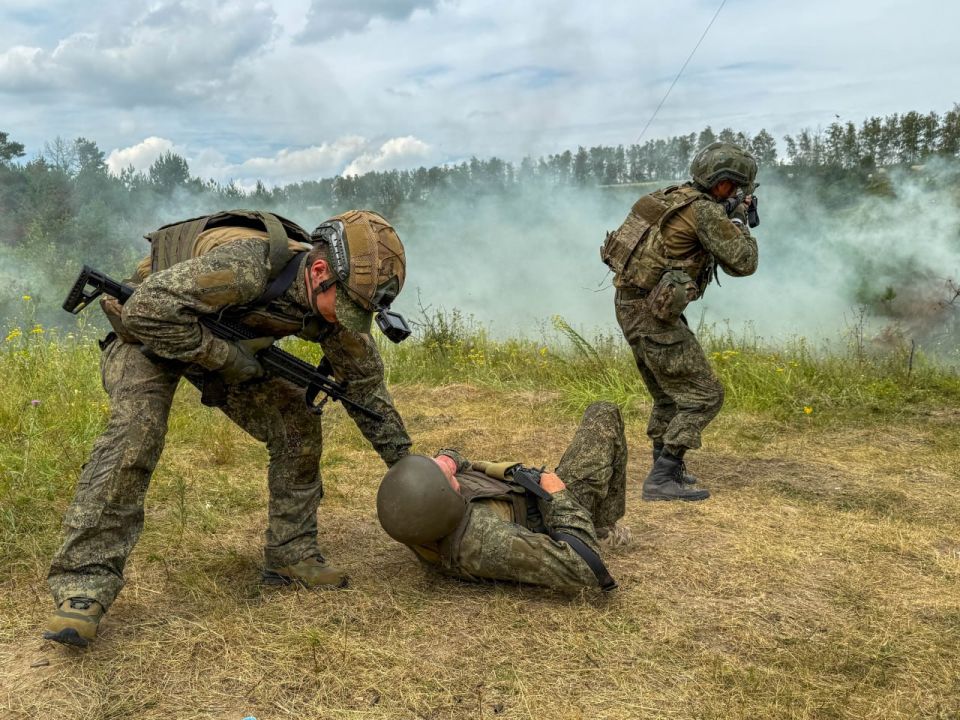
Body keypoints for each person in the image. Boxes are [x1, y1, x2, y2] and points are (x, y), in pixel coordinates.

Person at [44, 209, 412, 647]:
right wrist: (224, 359)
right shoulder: (246, 267)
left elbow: (366, 390)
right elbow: (147, 311)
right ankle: (83, 584)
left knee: (297, 419)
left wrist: (409, 467)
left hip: (220, 341)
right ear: (318, 271)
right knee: (136, 432)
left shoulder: (335, 302)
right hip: (148, 334)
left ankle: (291, 553)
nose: (347, 320)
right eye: (347, 307)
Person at [600, 141, 759, 502]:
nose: (735, 193)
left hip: (631, 303)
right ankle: (662, 476)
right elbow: (744, 263)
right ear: (723, 184)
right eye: (734, 188)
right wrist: (737, 221)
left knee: (669, 394)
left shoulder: (669, 196)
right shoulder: (705, 212)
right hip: (653, 313)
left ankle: (668, 465)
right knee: (705, 395)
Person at [375, 402, 627, 592]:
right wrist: (558, 494)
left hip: (528, 495)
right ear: (448, 502)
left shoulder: (415, 508)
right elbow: (584, 569)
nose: (452, 473)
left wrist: (446, 461)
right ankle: (600, 528)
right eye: (449, 479)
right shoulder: (485, 540)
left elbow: (457, 461)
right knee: (603, 413)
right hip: (552, 512)